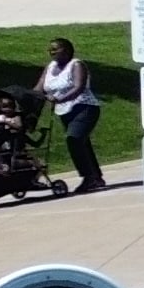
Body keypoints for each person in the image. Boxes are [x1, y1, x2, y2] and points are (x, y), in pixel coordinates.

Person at [37, 38, 106, 192]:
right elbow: (39, 88)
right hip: (64, 112)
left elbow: (78, 87)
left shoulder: (76, 65)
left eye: (56, 49)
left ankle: (89, 178)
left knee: (73, 139)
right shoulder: (51, 67)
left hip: (84, 108)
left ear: (67, 50)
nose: (52, 52)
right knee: (82, 143)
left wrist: (59, 99)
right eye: (50, 49)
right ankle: (96, 177)